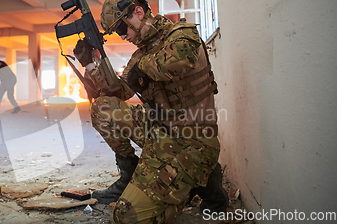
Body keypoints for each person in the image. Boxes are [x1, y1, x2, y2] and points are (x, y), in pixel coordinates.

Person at [73, 0, 228, 222]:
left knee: (127, 216)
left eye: (120, 28)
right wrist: (90, 64)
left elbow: (183, 58)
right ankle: (129, 174)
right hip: (160, 133)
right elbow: (117, 92)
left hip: (192, 141)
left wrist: (143, 67)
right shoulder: (140, 54)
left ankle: (205, 181)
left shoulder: (182, 34)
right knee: (102, 107)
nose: (122, 36)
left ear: (138, 11)